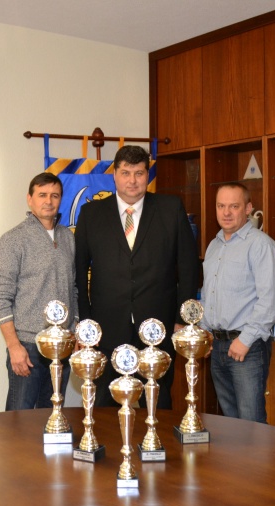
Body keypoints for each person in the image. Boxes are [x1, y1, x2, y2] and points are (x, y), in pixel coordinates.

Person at [75, 145, 199, 408]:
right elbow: (79, 272)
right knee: (106, 405)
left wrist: (182, 319)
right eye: (125, 173)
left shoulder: (170, 208)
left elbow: (188, 266)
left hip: (158, 327)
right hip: (105, 330)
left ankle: (155, 435)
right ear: (115, 176)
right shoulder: (91, 214)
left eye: (139, 173)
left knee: (157, 402)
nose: (132, 180)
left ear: (147, 176)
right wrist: (86, 326)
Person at [0, 172, 77, 411]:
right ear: (30, 199)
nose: (48, 201)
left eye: (54, 195)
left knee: (53, 418)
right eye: (42, 195)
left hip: (61, 346)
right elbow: (0, 295)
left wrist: (74, 331)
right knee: (19, 421)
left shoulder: (68, 238)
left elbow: (74, 288)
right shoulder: (13, 239)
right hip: (28, 346)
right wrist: (13, 346)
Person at [200, 183, 275, 423]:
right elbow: (208, 295)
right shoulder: (214, 246)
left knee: (251, 423)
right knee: (230, 424)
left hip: (247, 347)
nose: (226, 213)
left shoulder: (261, 245)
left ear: (248, 209)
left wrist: (245, 340)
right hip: (217, 346)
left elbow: (271, 302)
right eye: (221, 206)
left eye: (234, 206)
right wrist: (205, 335)